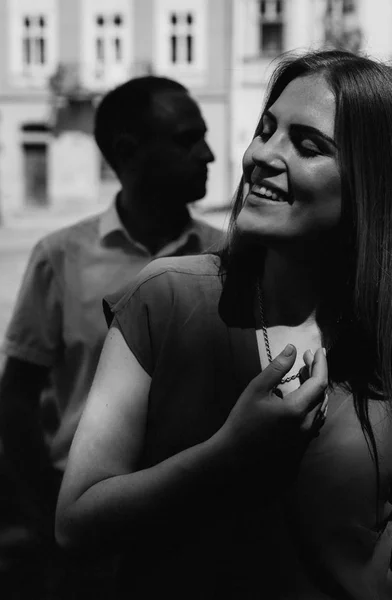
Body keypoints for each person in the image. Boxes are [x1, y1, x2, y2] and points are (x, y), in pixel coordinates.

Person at [55, 50, 392, 599]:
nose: (262, 155)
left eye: (307, 145)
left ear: (372, 179)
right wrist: (227, 454)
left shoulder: (382, 331)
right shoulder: (164, 298)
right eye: (265, 130)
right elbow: (76, 522)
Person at [0, 76, 221, 594]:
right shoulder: (60, 256)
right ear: (128, 150)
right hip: (91, 536)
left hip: (201, 524)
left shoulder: (228, 258)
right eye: (188, 139)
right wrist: (45, 506)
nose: (208, 153)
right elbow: (16, 399)